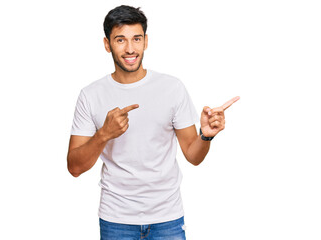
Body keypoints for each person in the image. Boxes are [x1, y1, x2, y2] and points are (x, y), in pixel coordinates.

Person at [67, 5, 239, 240]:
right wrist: (103, 134)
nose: (130, 48)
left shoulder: (172, 88)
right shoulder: (91, 95)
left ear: (146, 41)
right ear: (107, 44)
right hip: (116, 220)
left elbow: (193, 156)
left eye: (136, 39)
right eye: (120, 40)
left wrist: (206, 135)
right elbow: (74, 167)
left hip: (167, 218)